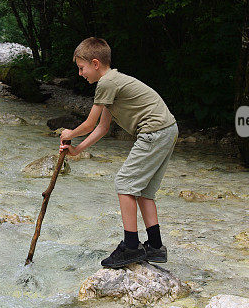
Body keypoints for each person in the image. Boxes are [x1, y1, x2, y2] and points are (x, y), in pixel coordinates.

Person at [59, 37, 179, 268]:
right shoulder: (112, 83)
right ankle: (155, 247)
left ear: (95, 63)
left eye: (81, 68)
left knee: (125, 183)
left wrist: (69, 134)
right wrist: (78, 150)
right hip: (168, 129)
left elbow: (89, 124)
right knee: (144, 191)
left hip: (154, 131)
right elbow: (103, 128)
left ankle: (131, 247)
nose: (81, 74)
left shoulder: (106, 83)